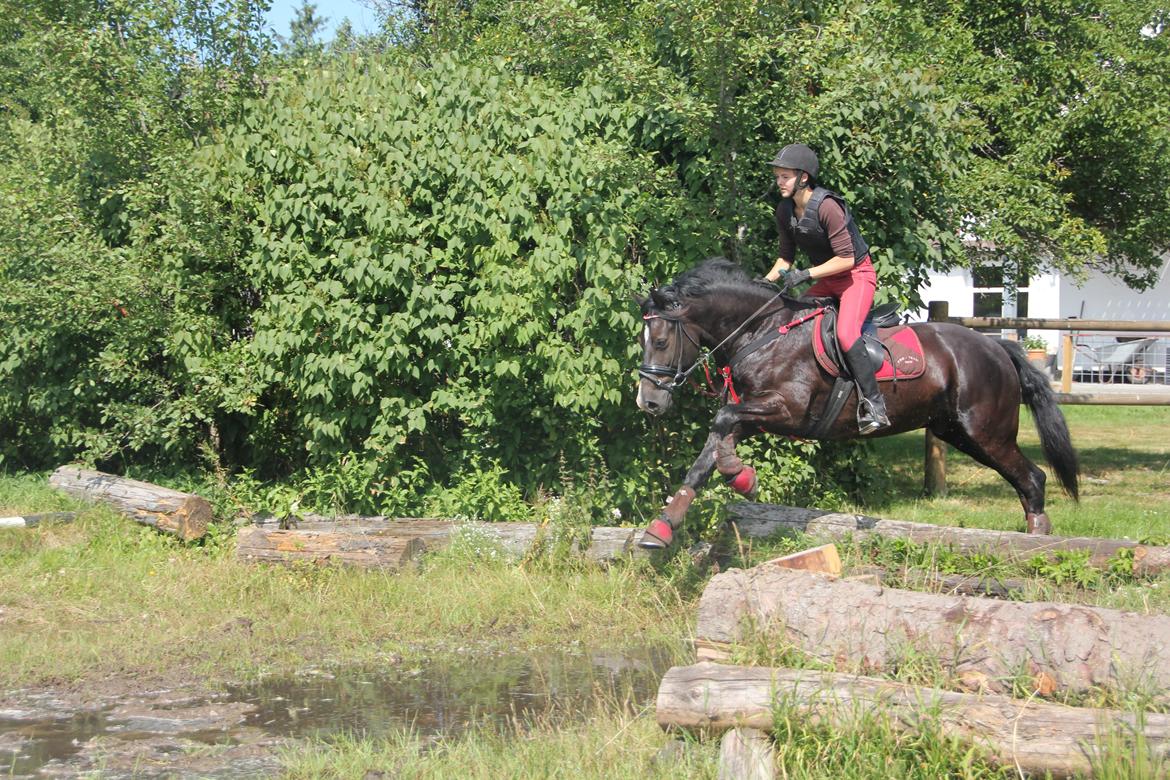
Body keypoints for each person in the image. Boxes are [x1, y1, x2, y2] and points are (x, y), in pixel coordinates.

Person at [763, 143, 890, 434]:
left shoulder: (828, 206)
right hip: (828, 278)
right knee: (794, 326)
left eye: (784, 176)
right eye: (778, 176)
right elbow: (785, 257)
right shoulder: (784, 210)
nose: (779, 181)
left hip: (856, 276)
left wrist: (805, 274)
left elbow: (846, 259)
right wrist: (765, 282)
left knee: (846, 335)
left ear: (803, 177)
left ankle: (875, 405)